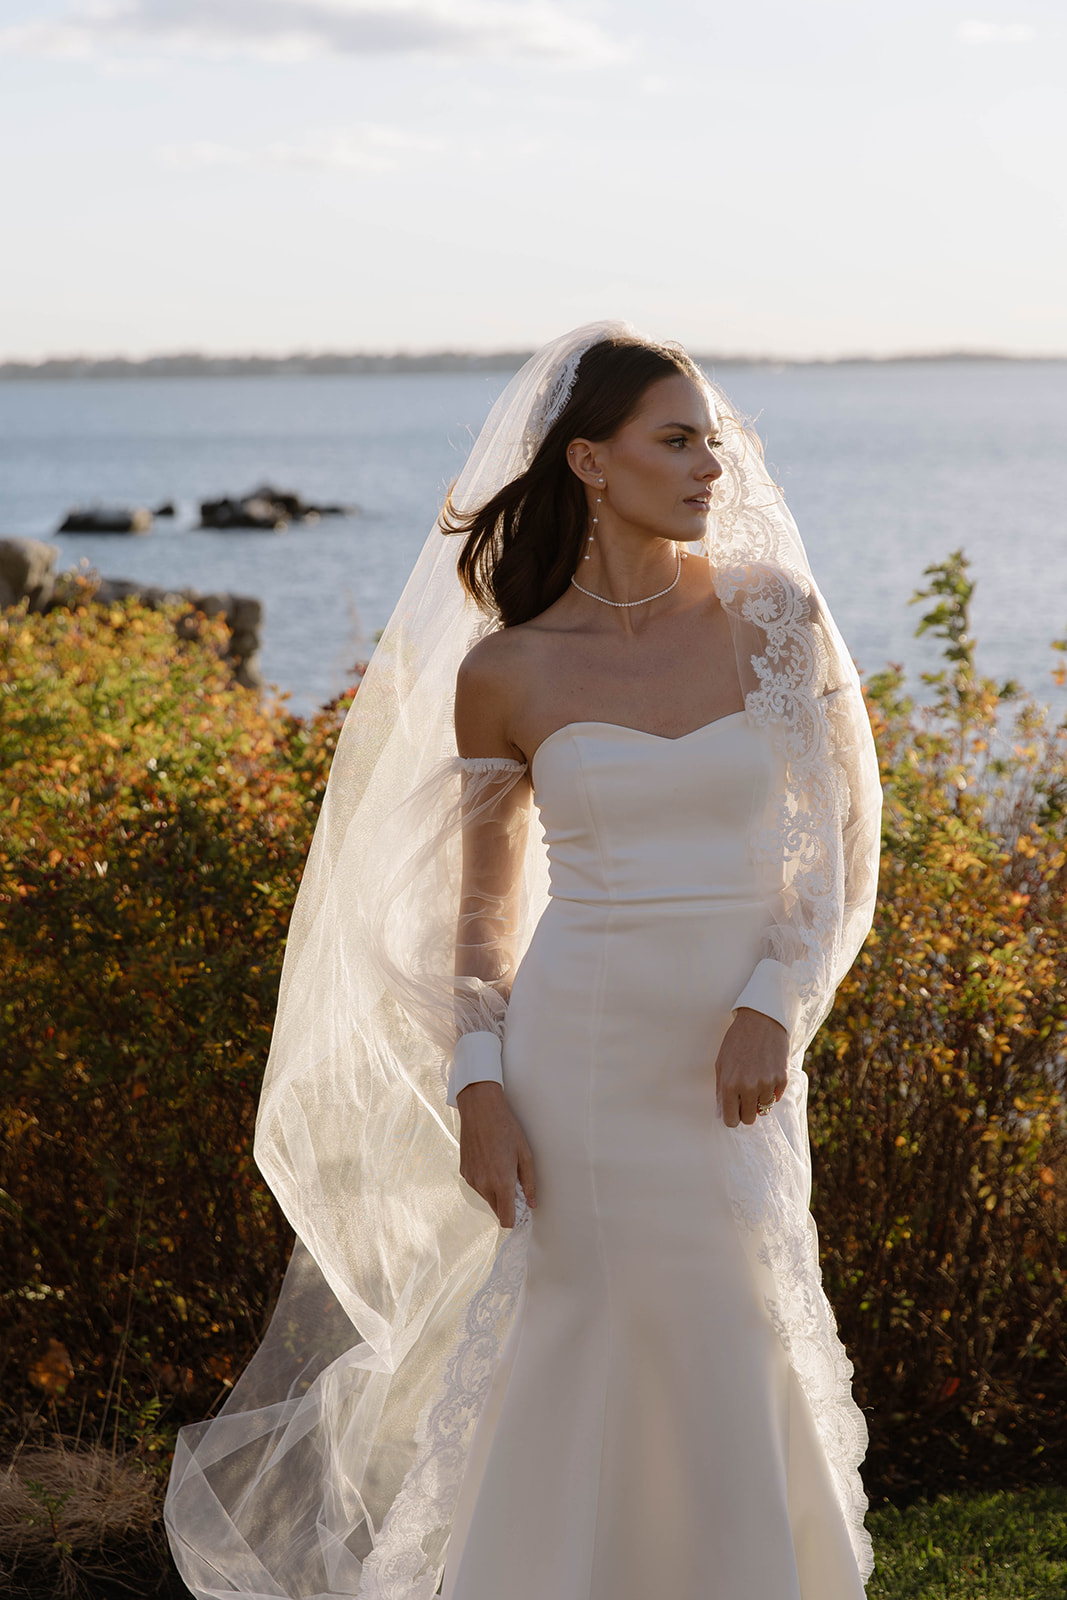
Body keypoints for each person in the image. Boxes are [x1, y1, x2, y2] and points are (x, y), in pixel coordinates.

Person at [165, 323, 882, 1600]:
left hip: (733, 1054)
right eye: (675, 440)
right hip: (576, 1058)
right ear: (589, 464)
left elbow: (830, 847)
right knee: (577, 1333)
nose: (708, 464)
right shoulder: (506, 671)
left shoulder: (771, 616)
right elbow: (481, 919)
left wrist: (772, 1000)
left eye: (710, 438)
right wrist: (477, 1084)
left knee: (737, 1317)